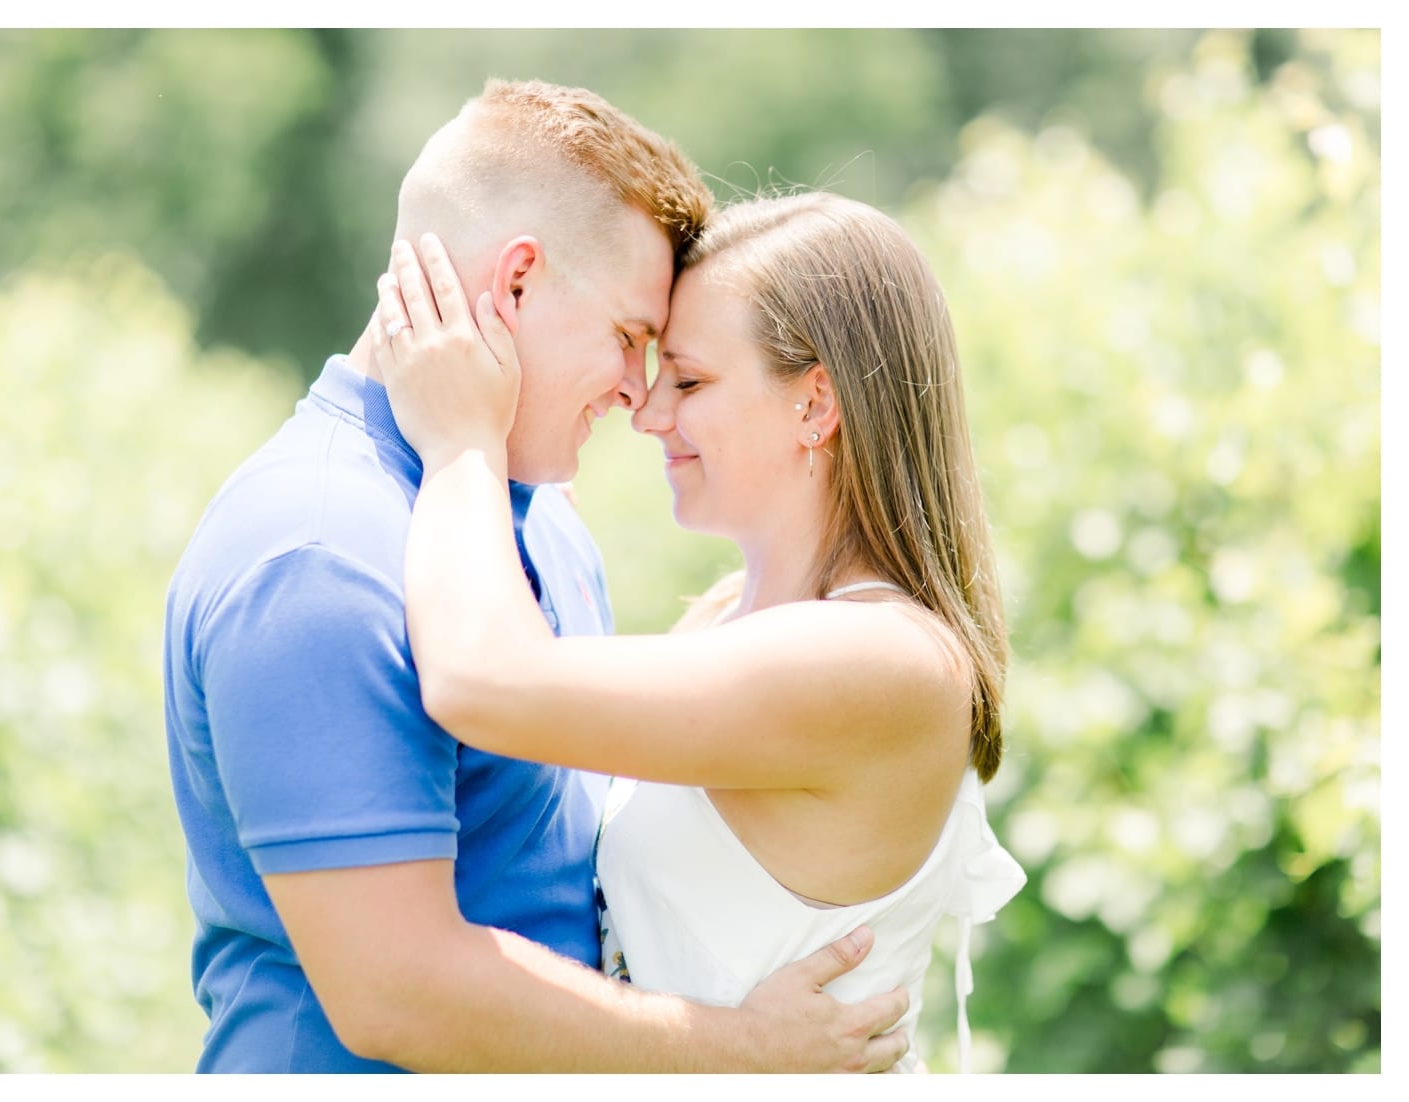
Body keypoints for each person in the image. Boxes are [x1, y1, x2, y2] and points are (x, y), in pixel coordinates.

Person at [163, 80, 912, 1073]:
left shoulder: (541, 518)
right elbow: (398, 991)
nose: (641, 395)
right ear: (514, 285)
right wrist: (745, 1049)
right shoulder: (316, 554)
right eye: (630, 339)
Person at [371, 190, 1028, 1074]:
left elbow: (481, 683)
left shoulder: (883, 661)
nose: (647, 413)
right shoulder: (725, 615)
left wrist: (462, 442)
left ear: (815, 404)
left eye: (689, 380)